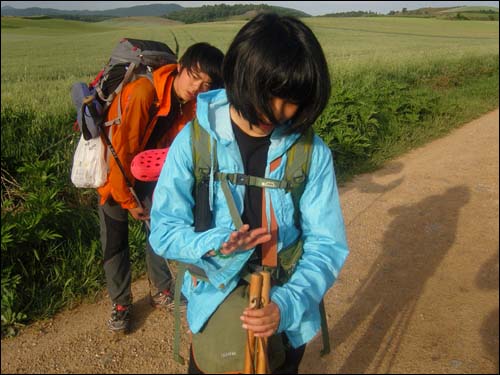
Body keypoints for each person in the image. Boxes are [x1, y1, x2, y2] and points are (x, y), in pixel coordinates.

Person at [150, 13, 349, 374]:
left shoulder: (311, 153)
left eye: (295, 102)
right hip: (214, 308)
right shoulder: (195, 142)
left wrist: (285, 305)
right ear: (243, 78)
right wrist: (215, 243)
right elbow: (163, 230)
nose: (283, 113)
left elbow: (327, 245)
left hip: (284, 319)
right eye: (273, 97)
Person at [97, 42, 224, 334]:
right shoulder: (144, 93)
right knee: (114, 240)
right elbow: (120, 149)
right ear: (181, 67)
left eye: (206, 84)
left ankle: (162, 291)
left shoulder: (189, 104)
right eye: (193, 76)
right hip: (112, 174)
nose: (197, 87)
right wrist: (128, 201)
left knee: (160, 228)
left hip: (150, 172)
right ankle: (120, 304)